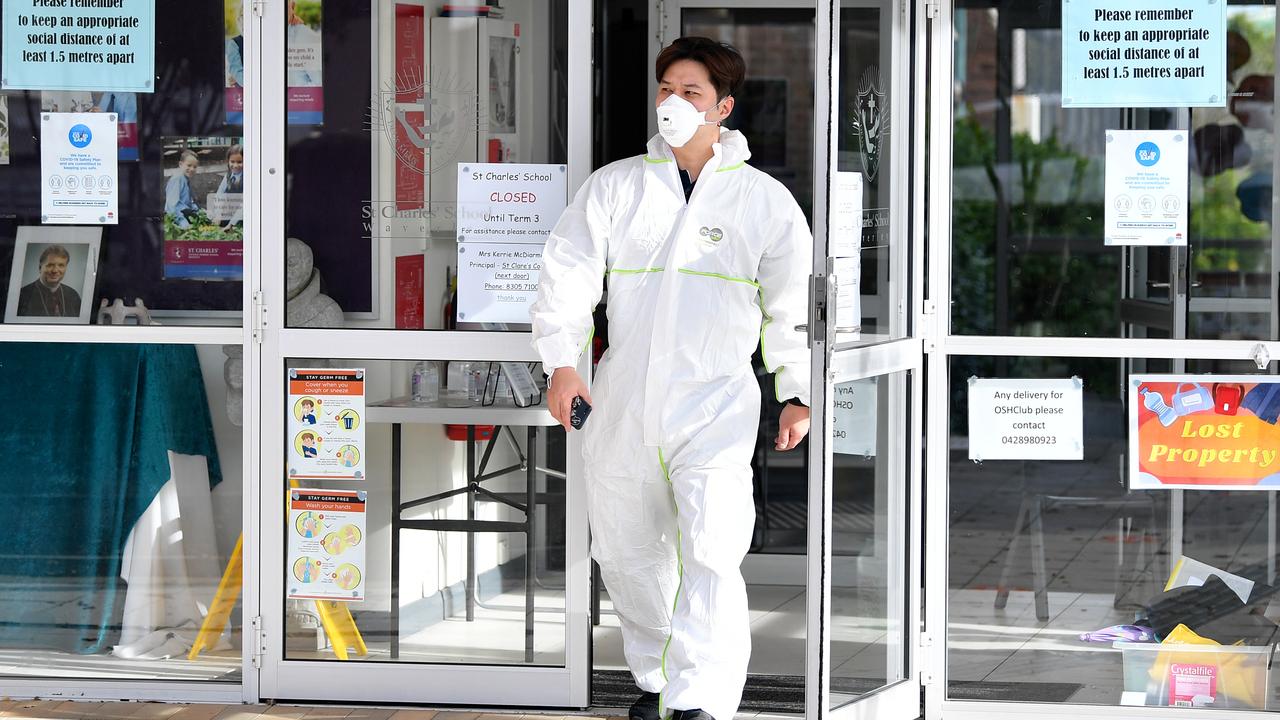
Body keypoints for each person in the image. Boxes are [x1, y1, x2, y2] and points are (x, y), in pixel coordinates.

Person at [530, 37, 812, 720]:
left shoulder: (761, 201)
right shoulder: (616, 187)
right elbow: (565, 278)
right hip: (622, 404)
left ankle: (700, 702)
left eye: (690, 92)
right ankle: (658, 683)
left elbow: (792, 305)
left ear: (724, 106)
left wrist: (796, 390)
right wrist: (561, 364)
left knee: (712, 550)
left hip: (715, 406)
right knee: (627, 556)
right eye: (665, 88)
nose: (673, 103)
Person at [16, 245, 82, 318]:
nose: (55, 270)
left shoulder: (73, 295)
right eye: (50, 265)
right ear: (40, 267)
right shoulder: (22, 296)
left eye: (61, 265)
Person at [165, 149, 201, 229]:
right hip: (176, 218)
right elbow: (172, 205)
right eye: (189, 165)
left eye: (194, 167)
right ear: (180, 164)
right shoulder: (177, 179)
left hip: (184, 213)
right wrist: (183, 223)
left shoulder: (185, 179)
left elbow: (189, 200)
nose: (192, 169)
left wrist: (199, 211)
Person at [216, 143, 245, 230]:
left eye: (240, 162)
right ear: (228, 161)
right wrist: (218, 214)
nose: (235, 166)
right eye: (232, 162)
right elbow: (219, 194)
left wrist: (231, 224)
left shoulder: (248, 178)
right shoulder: (228, 176)